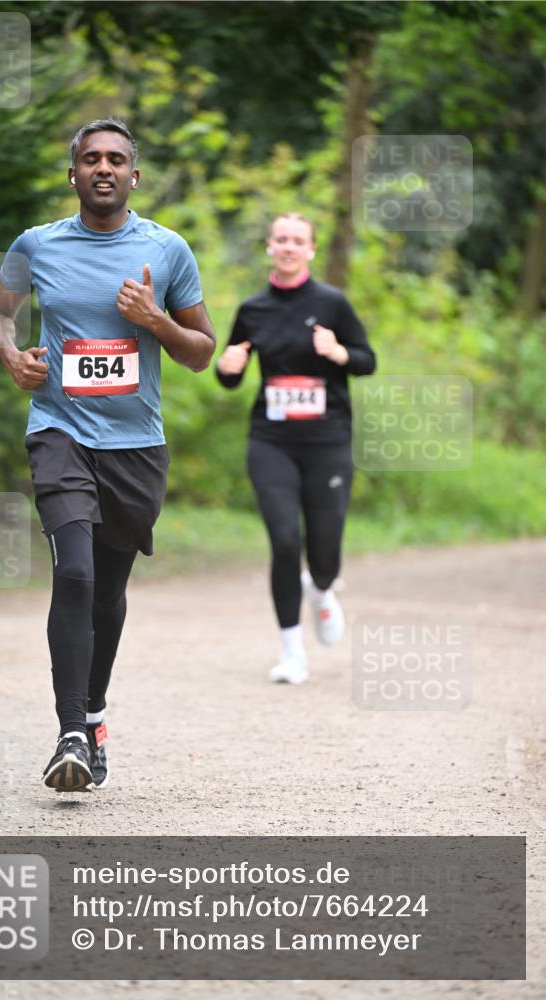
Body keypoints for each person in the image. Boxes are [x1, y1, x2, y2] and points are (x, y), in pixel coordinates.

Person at [0, 118, 215, 790]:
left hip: (136, 446)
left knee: (107, 590)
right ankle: (70, 735)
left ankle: (95, 708)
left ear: (134, 176)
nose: (103, 168)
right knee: (75, 577)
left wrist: (154, 321)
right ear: (73, 174)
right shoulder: (38, 245)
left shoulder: (167, 250)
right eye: (91, 159)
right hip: (59, 431)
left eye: (116, 159)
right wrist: (10, 357)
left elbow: (200, 352)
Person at [215, 213, 375, 684]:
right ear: (269, 247)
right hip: (272, 440)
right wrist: (228, 366)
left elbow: (367, 361)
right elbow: (230, 376)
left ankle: (322, 590)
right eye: (280, 239)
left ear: (311, 249)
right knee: (285, 541)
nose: (288, 246)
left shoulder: (332, 304)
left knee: (324, 549)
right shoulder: (253, 309)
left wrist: (338, 353)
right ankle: (291, 653)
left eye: (297, 240)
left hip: (327, 441)